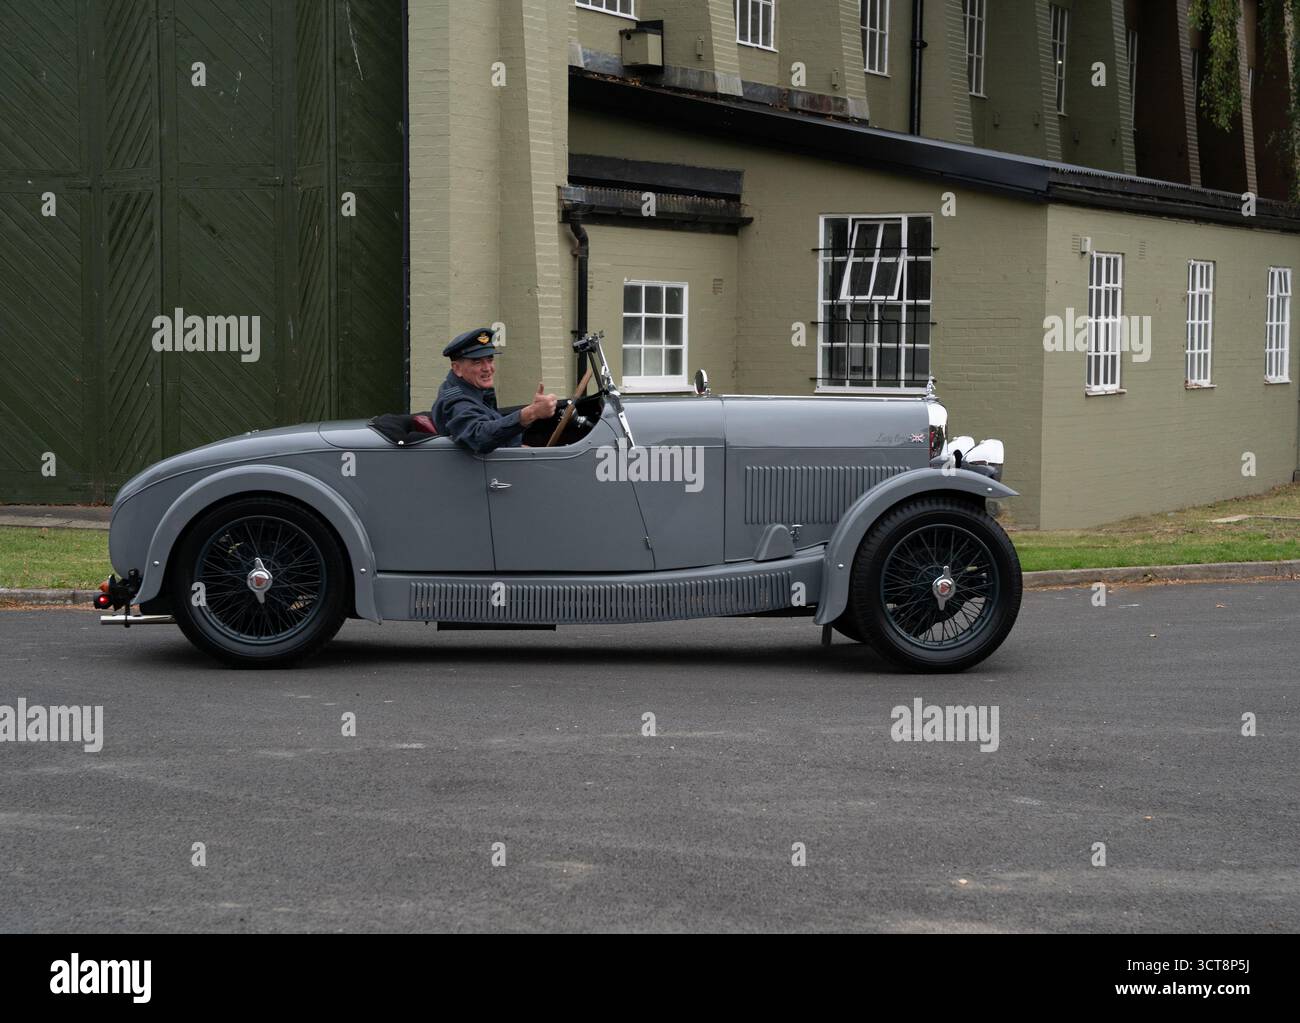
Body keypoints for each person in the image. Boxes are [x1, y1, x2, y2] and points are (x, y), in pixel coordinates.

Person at [431, 327, 558, 453]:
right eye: (477, 362)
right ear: (457, 368)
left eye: (490, 360)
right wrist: (531, 413)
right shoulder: (456, 401)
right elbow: (479, 436)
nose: (487, 368)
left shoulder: (476, 392)